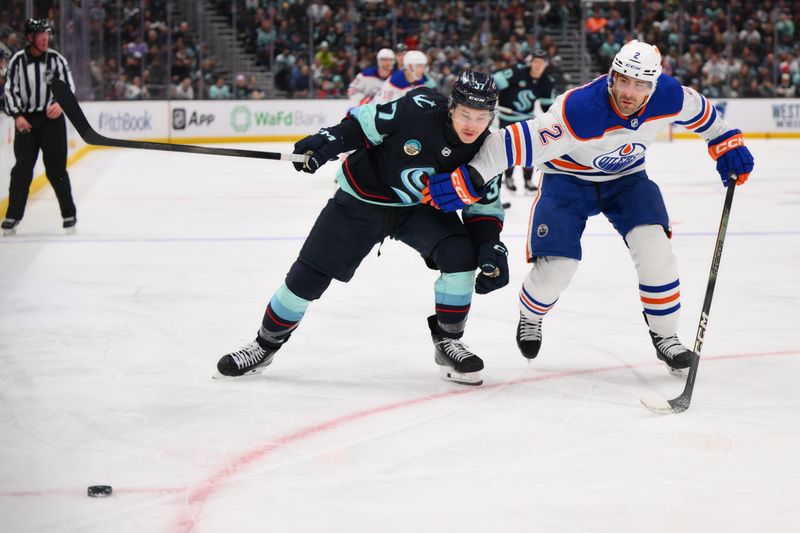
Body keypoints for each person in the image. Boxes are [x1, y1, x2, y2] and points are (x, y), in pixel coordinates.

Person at [423, 40, 754, 376]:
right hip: (568, 182)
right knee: (557, 270)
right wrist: (469, 177)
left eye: (639, 85)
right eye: (622, 79)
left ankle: (666, 336)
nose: (628, 91)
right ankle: (532, 315)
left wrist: (726, 143)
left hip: (627, 180)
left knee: (656, 250)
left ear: (652, 85)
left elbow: (705, 115)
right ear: (611, 75)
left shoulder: (669, 95)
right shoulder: (581, 109)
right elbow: (514, 141)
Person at [215, 71, 508, 386]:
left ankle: (448, 342)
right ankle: (264, 345)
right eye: (465, 114)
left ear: (491, 116)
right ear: (451, 107)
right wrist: (327, 141)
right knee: (308, 276)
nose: (471, 125)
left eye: (480, 117)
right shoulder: (418, 107)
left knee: (460, 254)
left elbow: (484, 206)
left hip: (418, 210)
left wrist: (491, 243)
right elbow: (362, 125)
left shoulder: (490, 147)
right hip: (362, 200)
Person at [2, 19, 77, 236]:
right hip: (26, 121)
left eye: (47, 34)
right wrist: (17, 115)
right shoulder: (17, 61)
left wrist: (60, 103)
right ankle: (13, 216)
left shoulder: (56, 60)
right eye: (41, 35)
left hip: (52, 120)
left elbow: (69, 86)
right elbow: (10, 90)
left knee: (56, 170)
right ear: (30, 38)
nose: (45, 39)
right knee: (22, 171)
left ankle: (68, 214)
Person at [493, 49, 556, 193]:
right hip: (507, 117)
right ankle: (508, 177)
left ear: (545, 64)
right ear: (531, 62)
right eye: (535, 61)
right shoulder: (518, 71)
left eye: (541, 62)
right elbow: (495, 82)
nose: (537, 65)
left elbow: (547, 106)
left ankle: (528, 180)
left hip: (526, 118)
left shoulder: (547, 81)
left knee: (530, 149)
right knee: (510, 148)